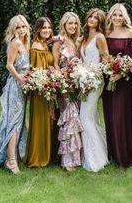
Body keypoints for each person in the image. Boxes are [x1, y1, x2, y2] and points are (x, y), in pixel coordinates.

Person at [0, 15, 30, 174]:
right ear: (13, 29)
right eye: (18, 27)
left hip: (23, 88)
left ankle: (10, 158)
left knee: (18, 122)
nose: (22, 30)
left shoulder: (25, 43)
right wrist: (21, 80)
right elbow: (9, 65)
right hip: (16, 87)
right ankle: (11, 161)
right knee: (13, 123)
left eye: (24, 26)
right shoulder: (15, 42)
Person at [102, 3, 132, 167]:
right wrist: (109, 71)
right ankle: (112, 153)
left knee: (122, 116)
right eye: (114, 15)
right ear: (110, 16)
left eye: (120, 15)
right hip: (109, 80)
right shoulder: (105, 33)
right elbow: (103, 55)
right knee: (110, 116)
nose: (117, 18)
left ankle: (126, 155)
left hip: (124, 82)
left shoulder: (131, 33)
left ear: (124, 17)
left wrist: (120, 73)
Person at [25, 17, 59, 167]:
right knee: (41, 121)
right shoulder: (36, 47)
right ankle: (38, 157)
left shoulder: (45, 44)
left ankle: (48, 155)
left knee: (49, 120)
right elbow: (37, 72)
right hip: (41, 91)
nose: (47, 30)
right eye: (44, 28)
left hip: (49, 88)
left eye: (49, 28)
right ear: (38, 29)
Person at [52, 12, 83, 171]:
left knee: (76, 118)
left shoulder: (77, 41)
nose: (73, 26)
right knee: (69, 118)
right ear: (64, 25)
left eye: (75, 23)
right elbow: (56, 64)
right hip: (65, 84)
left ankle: (77, 156)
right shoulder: (59, 41)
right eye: (70, 23)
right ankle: (68, 160)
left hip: (77, 83)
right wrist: (63, 79)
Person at [80, 8, 109, 172]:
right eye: (90, 16)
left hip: (95, 81)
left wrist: (94, 75)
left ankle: (95, 159)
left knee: (84, 117)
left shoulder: (100, 37)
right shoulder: (84, 37)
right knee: (90, 117)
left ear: (100, 22)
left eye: (96, 18)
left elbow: (106, 61)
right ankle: (100, 153)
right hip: (84, 80)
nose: (92, 19)